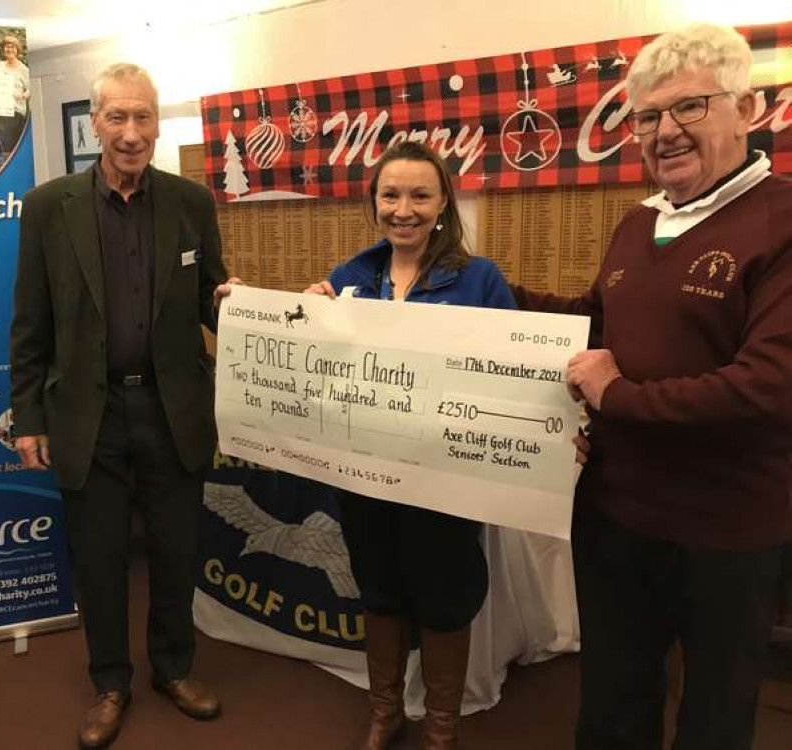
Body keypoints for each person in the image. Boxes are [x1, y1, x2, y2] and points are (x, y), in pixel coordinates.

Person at [511, 23, 792, 750]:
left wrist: (616, 398)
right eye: (646, 117)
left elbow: (766, 386)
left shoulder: (782, 218)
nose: (664, 131)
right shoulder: (639, 223)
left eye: (689, 107)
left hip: (726, 529)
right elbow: (594, 323)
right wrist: (481, 293)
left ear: (746, 108)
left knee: (715, 717)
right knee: (610, 703)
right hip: (614, 513)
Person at [253, 141, 516, 750]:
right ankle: (385, 713)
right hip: (366, 479)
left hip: (446, 484)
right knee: (380, 589)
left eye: (420, 195)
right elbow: (314, 365)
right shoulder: (350, 277)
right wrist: (302, 317)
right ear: (373, 203)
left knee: (446, 597)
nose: (404, 209)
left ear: (443, 202)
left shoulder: (478, 279)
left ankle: (441, 726)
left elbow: (509, 374)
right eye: (390, 195)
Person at [10, 62, 227, 750]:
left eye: (143, 118)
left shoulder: (192, 204)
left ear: (157, 123)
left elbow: (212, 300)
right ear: (94, 124)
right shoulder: (49, 207)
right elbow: (29, 323)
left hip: (172, 412)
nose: (130, 134)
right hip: (88, 415)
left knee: (175, 551)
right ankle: (110, 682)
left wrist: (253, 310)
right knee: (99, 559)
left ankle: (174, 668)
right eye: (117, 118)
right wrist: (30, 416)